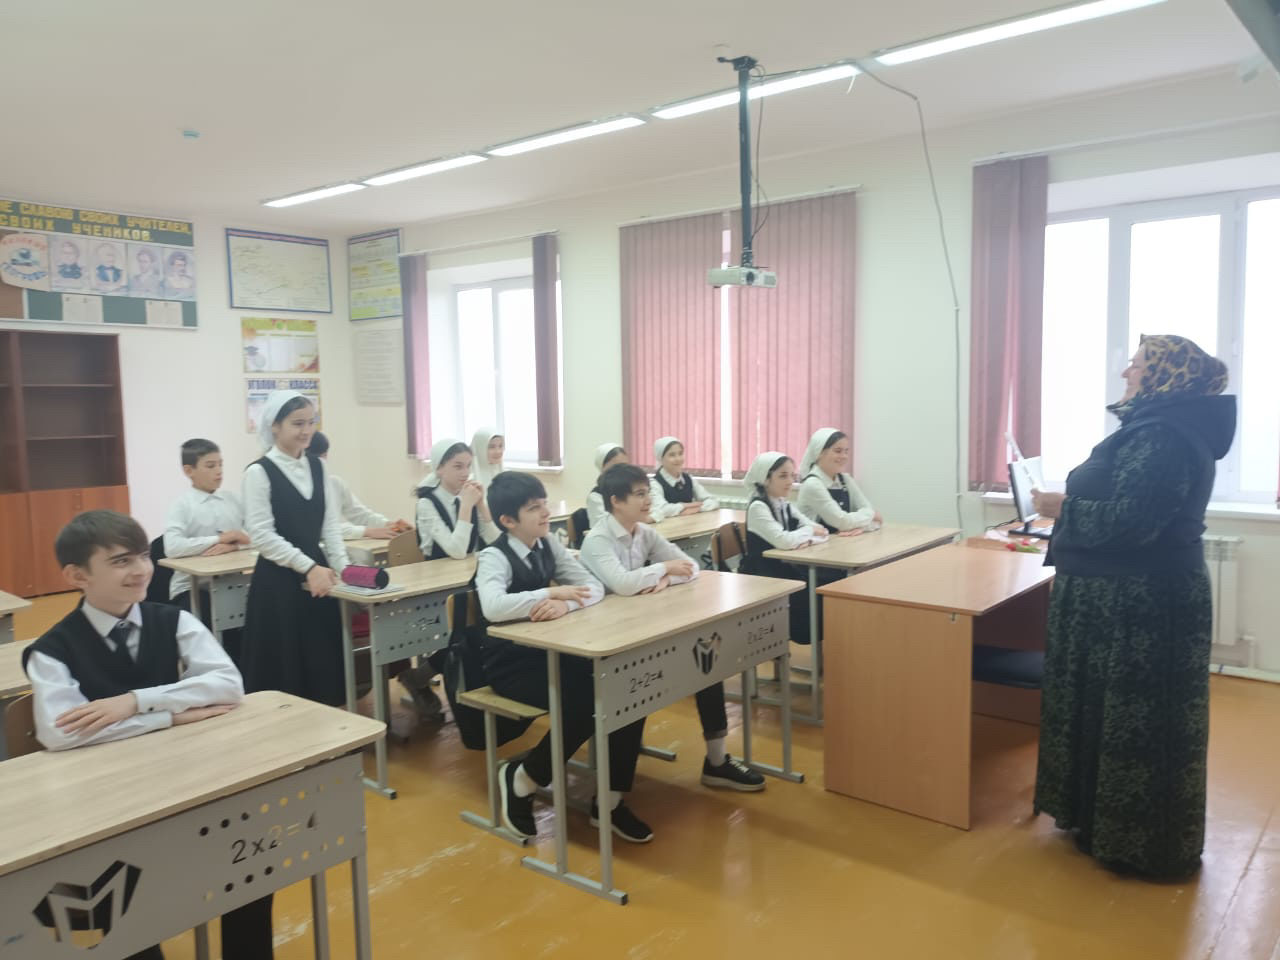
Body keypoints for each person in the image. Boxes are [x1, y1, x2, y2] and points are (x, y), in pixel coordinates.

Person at [1031, 334, 1235, 881]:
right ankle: (1099, 824)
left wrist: (1062, 507)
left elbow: (1132, 522)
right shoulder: (1157, 427)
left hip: (1139, 608)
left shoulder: (1165, 434)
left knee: (1137, 724)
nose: (1127, 372)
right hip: (1118, 599)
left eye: (1138, 364)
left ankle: (1140, 845)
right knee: (1110, 716)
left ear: (1166, 374)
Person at [22, 510, 247, 960]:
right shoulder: (50, 651)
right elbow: (61, 734)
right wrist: (168, 718)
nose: (141, 569)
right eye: (121, 561)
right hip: (107, 802)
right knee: (126, 901)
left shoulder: (174, 620)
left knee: (248, 869)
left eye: (143, 556)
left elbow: (228, 685)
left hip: (185, 780)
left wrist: (136, 702)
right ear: (77, 576)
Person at [478, 472, 651, 843]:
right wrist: (550, 595)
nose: (545, 513)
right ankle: (523, 778)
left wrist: (565, 604)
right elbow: (492, 607)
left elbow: (593, 588)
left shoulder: (548, 545)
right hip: (507, 664)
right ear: (507, 520)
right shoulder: (494, 556)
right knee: (584, 702)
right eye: (533, 508)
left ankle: (609, 801)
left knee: (626, 684)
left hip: (550, 650)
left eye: (544, 504)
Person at [580, 464, 765, 791]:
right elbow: (624, 584)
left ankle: (717, 761)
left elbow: (690, 567)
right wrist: (664, 568)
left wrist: (664, 579)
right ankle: (611, 797)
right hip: (606, 642)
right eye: (639, 494)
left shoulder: (643, 532)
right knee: (637, 692)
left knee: (707, 663)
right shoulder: (597, 540)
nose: (648, 500)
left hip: (641, 626)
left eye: (647, 492)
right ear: (616, 501)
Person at [162, 438, 250, 661]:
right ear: (189, 470)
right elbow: (172, 547)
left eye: (220, 464)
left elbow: (258, 537)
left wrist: (235, 543)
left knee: (254, 618)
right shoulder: (182, 505)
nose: (219, 471)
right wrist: (219, 539)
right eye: (210, 466)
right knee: (213, 631)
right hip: (191, 588)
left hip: (232, 583)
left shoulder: (234, 500)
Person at [737, 452, 826, 645]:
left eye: (792, 476)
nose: (790, 481)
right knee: (812, 599)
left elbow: (821, 531)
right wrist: (806, 534)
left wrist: (805, 536)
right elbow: (785, 541)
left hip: (783, 569)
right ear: (766, 479)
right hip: (762, 575)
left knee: (822, 590)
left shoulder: (783, 503)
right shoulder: (758, 507)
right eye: (783, 476)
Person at [308, 431, 410, 540]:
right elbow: (320, 528)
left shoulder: (335, 483)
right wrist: (367, 531)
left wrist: (388, 524)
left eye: (323, 455)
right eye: (315, 457)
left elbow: (360, 514)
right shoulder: (298, 490)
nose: (320, 461)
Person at [415, 438, 500, 558]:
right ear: (439, 468)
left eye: (468, 466)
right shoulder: (426, 503)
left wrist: (481, 504)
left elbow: (495, 541)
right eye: (458, 467)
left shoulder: (467, 495)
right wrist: (466, 506)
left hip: (469, 566)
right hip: (439, 568)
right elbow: (457, 551)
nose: (466, 473)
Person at [796, 428, 880, 535]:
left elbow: (868, 510)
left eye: (846, 451)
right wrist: (871, 515)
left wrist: (862, 527)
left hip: (839, 542)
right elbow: (842, 522)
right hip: (815, 544)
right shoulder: (812, 484)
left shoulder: (845, 480)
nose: (844, 456)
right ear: (820, 452)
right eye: (838, 451)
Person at [648, 436, 720, 521]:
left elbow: (713, 501)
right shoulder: (654, 483)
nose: (678, 459)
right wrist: (686, 506)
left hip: (689, 525)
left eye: (680, 453)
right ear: (661, 459)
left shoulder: (688, 479)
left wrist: (697, 509)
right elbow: (661, 509)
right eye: (672, 455)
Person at [585, 442, 632, 529]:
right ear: (602, 468)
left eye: (625, 466)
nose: (622, 471)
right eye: (616, 467)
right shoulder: (595, 497)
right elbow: (602, 526)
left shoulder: (631, 489)